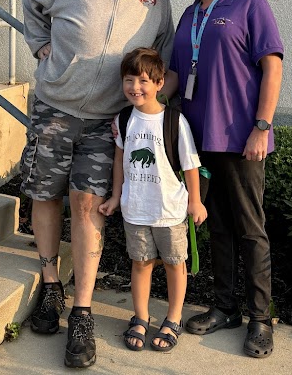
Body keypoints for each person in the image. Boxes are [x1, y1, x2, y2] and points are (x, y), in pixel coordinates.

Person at [21, 0, 174, 368]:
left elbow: (162, 42)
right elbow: (32, 0)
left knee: (89, 205)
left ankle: (82, 312)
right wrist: (40, 44)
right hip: (55, 107)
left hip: (107, 120)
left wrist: (153, 98)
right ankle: (52, 286)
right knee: (45, 195)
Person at [163, 0, 283, 359]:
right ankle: (225, 307)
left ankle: (260, 318)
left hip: (240, 139)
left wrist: (261, 127)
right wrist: (145, 104)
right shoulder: (189, 15)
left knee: (250, 227)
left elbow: (272, 67)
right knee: (216, 226)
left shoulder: (249, 2)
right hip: (197, 141)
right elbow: (176, 74)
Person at [99, 47, 207, 353]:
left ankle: (173, 319)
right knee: (141, 263)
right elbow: (119, 160)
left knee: (175, 264)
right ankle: (141, 317)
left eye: (143, 80)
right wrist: (116, 196)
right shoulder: (124, 119)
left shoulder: (174, 121)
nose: (135, 87)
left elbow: (190, 164)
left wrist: (195, 202)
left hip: (169, 210)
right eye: (129, 80)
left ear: (159, 84)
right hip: (136, 209)